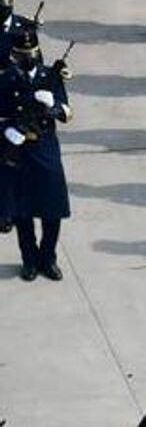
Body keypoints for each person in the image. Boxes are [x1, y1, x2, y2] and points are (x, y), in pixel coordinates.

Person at [0, 23, 71, 280]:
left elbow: (67, 113)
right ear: (16, 56)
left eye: (32, 55)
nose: (28, 60)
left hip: (45, 146)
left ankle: (48, 258)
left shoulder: (49, 78)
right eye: (23, 56)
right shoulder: (6, 79)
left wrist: (52, 106)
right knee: (23, 211)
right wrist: (8, 131)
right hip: (19, 150)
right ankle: (29, 260)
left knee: (52, 207)